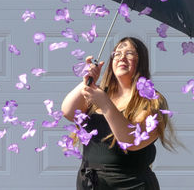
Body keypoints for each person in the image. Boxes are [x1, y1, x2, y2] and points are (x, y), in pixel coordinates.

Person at [61, 37, 178, 190]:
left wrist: (105, 104)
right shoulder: (98, 94)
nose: (122, 57)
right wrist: (88, 81)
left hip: (131, 185)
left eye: (129, 53)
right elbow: (68, 112)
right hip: (92, 183)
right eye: (117, 53)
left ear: (141, 61)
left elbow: (131, 140)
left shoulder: (151, 100)